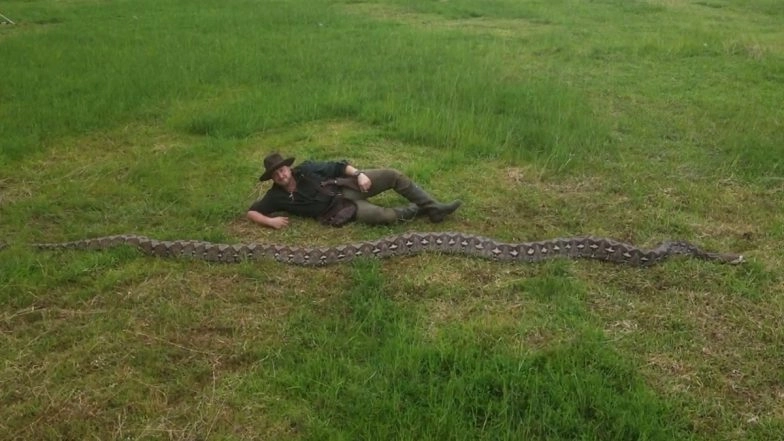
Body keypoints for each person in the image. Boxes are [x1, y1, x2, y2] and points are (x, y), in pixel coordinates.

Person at [247, 152, 462, 229]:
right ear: (272, 178)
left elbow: (337, 166)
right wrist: (270, 221)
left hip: (347, 185)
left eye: (282, 170)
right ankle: (421, 209)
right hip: (341, 209)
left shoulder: (306, 169)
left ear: (288, 167)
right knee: (382, 216)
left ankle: (434, 207)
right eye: (276, 175)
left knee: (392, 175)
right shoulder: (275, 196)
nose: (282, 176)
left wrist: (359, 174)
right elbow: (252, 211)